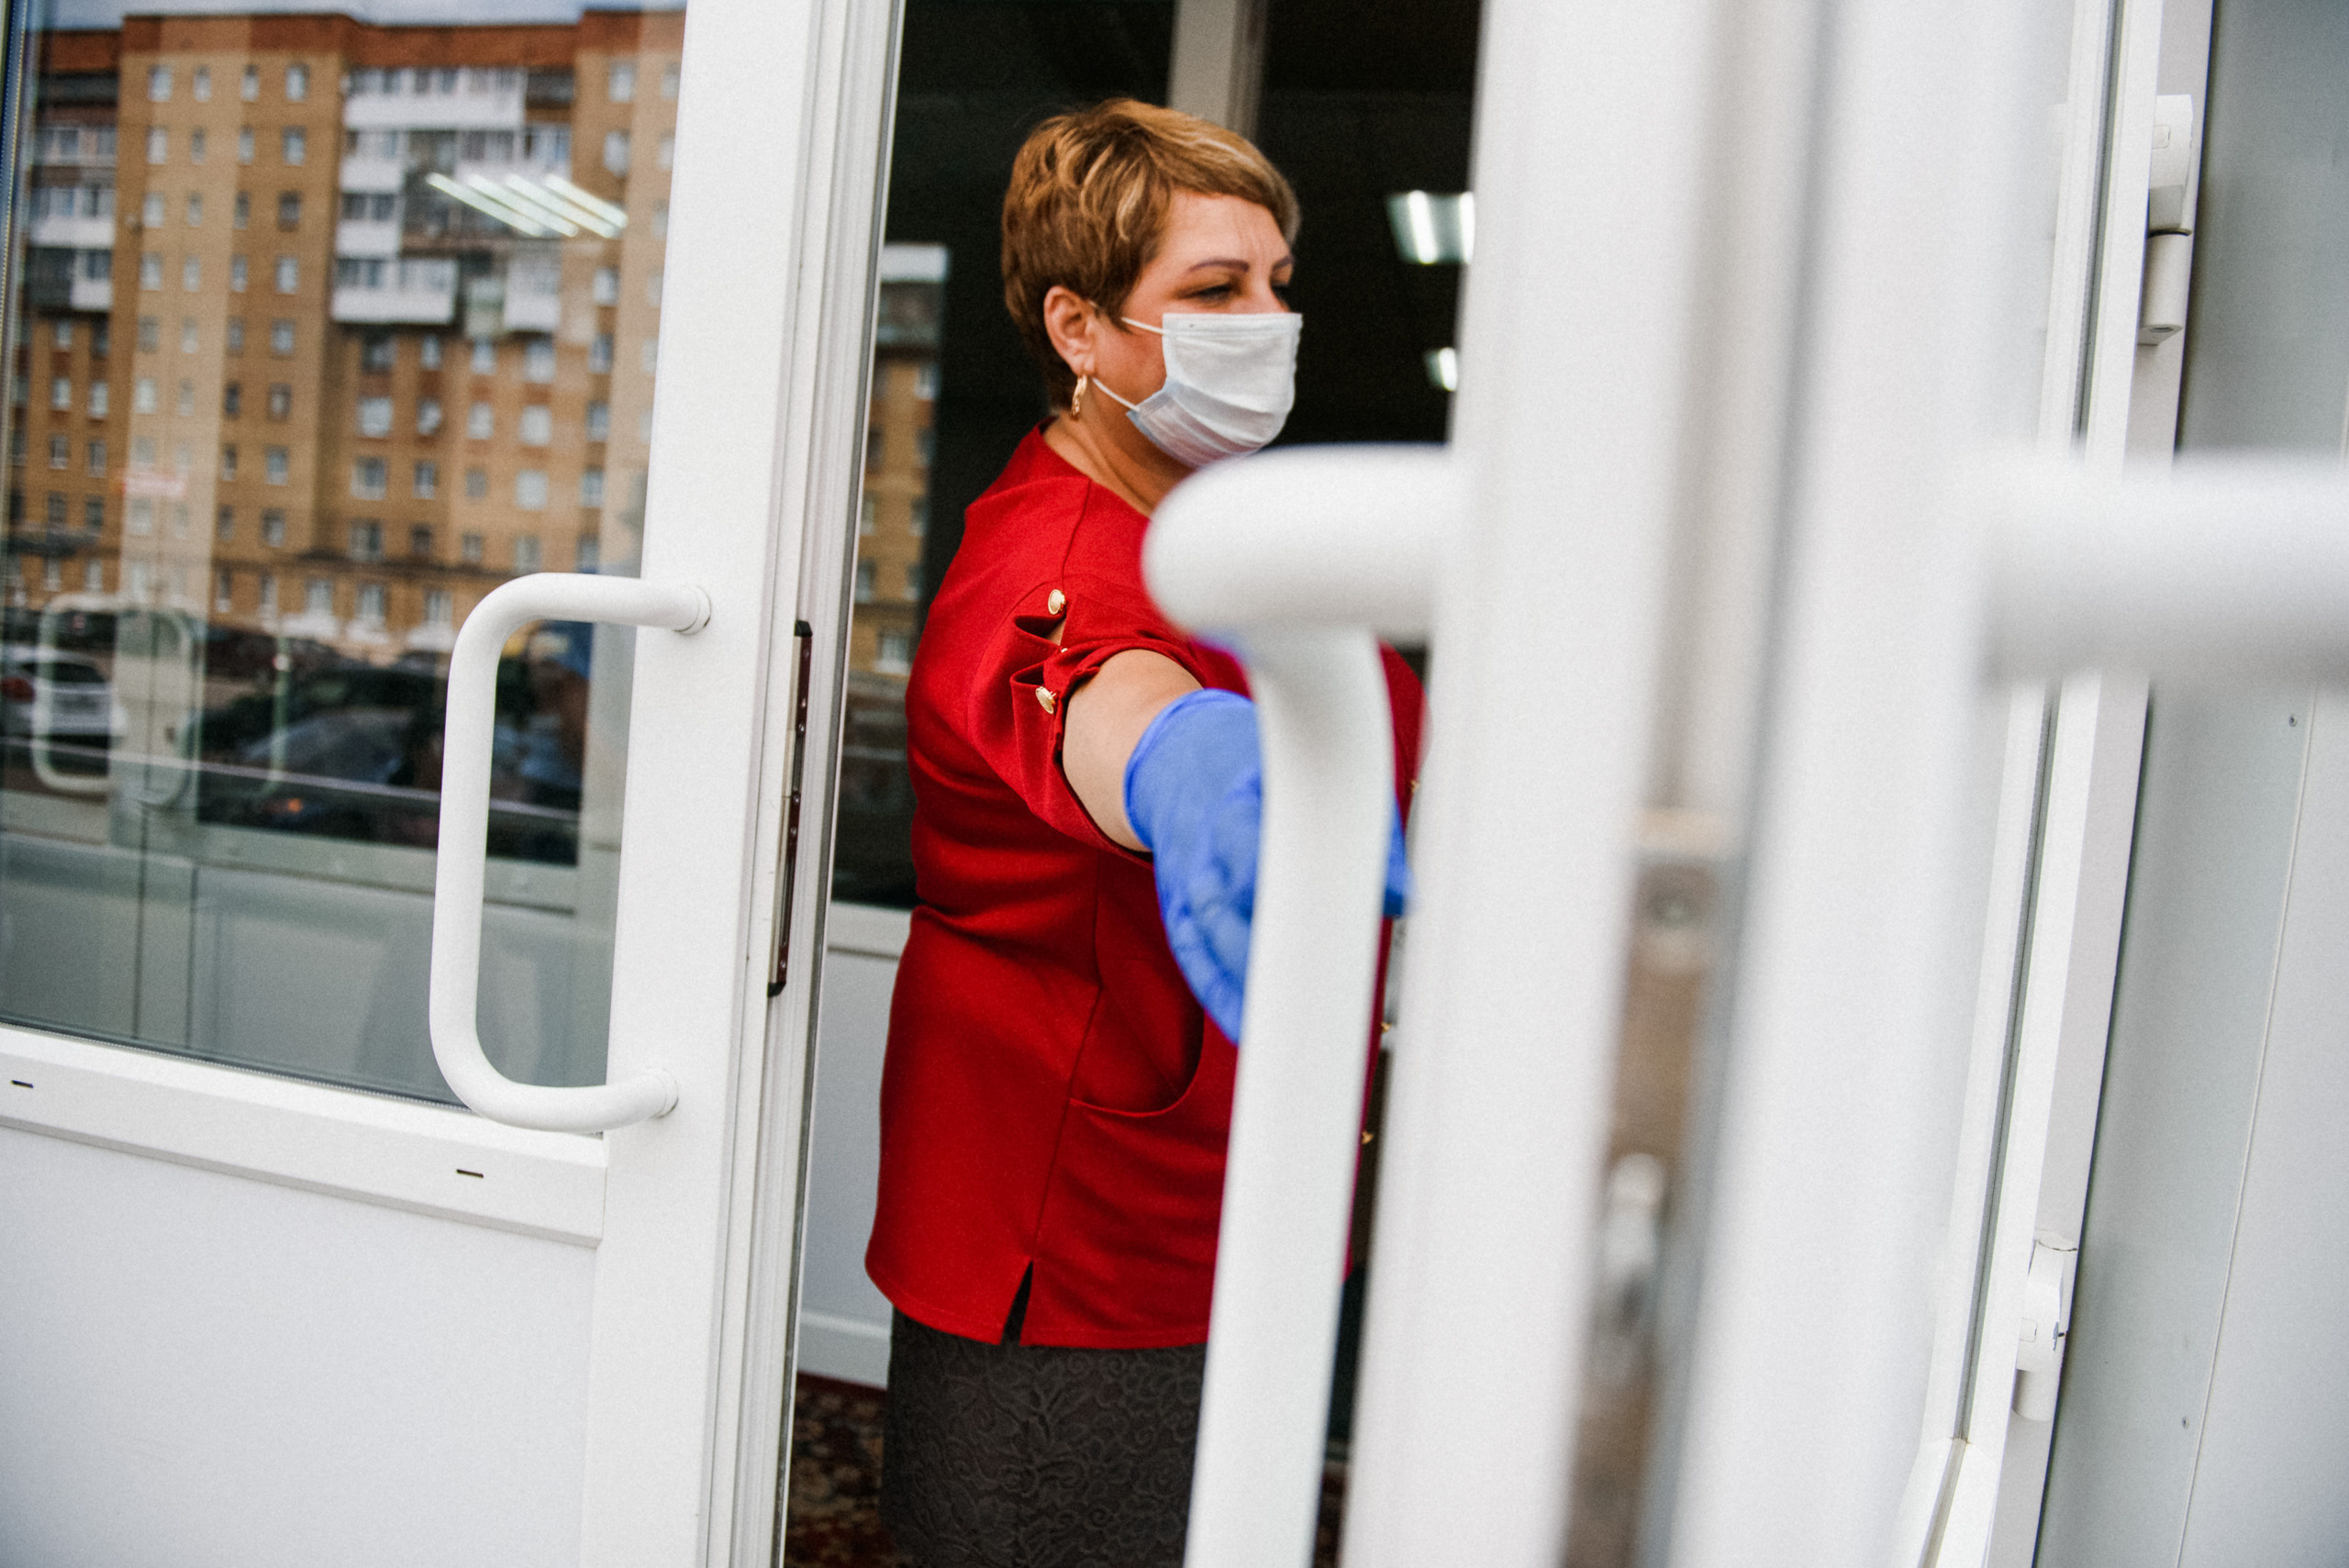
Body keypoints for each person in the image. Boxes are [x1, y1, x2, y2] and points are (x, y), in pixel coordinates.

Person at [865, 98, 1424, 1568]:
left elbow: (1403, 727)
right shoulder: (1043, 560)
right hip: (1081, 1252)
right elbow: (1091, 692)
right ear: (1081, 328)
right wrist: (1186, 762)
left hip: (1239, 1194)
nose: (1270, 320)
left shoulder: (1234, 520)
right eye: (1214, 290)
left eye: (1279, 283)